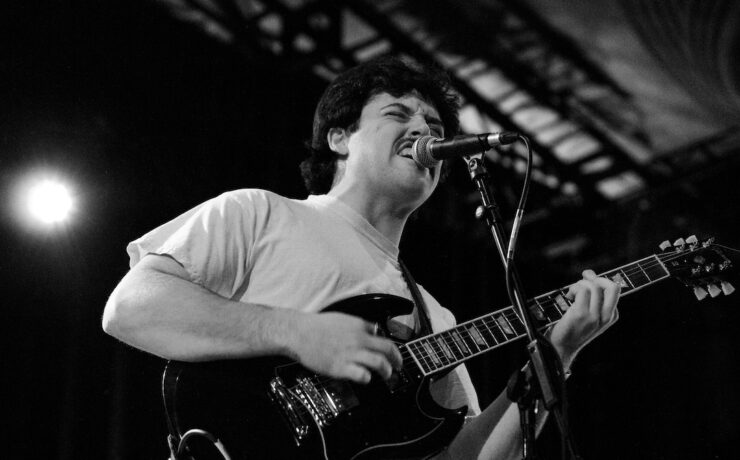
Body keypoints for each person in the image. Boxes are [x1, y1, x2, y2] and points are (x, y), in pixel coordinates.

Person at [102, 56, 620, 459]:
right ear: (339, 138)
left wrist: (555, 357)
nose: (424, 132)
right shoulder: (260, 212)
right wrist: (294, 331)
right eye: (398, 114)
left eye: (435, 127)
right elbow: (132, 308)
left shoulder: (435, 316)